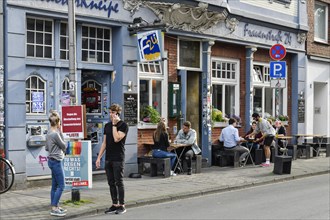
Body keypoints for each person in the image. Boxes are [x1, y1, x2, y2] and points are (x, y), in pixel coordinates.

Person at [96, 104, 129, 215]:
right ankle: (114, 204)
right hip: (109, 158)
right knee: (111, 182)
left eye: (113, 113)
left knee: (119, 182)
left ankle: (122, 205)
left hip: (118, 158)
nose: (111, 115)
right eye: (110, 112)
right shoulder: (107, 126)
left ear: (118, 113)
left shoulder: (123, 125)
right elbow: (104, 143)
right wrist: (99, 157)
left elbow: (116, 139)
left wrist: (115, 125)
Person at [45, 111, 67, 217]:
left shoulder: (48, 133)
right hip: (57, 161)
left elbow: (46, 148)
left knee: (54, 186)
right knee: (62, 185)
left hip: (51, 160)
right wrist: (61, 131)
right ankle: (54, 208)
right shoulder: (56, 134)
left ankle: (56, 206)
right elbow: (64, 146)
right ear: (58, 122)